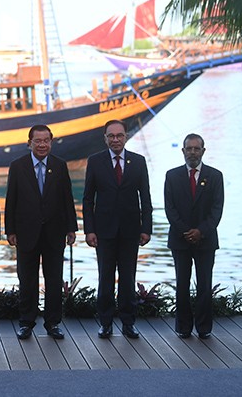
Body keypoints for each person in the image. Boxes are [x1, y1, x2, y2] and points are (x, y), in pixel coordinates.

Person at [5, 125, 78, 340]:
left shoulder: (60, 165)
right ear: (29, 143)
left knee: (54, 279)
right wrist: (10, 230)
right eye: (38, 141)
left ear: (51, 142)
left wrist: (71, 228)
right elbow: (11, 200)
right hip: (26, 232)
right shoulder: (17, 166)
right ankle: (26, 323)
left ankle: (53, 323)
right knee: (27, 280)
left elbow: (67, 198)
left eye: (46, 140)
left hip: (54, 232)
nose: (42, 144)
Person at [83, 119, 153, 339]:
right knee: (105, 277)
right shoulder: (95, 161)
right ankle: (105, 323)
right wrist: (89, 230)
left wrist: (146, 228)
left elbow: (145, 197)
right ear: (105, 138)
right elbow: (88, 199)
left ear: (126, 137)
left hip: (131, 231)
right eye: (111, 136)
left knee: (128, 277)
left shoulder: (138, 162)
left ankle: (128, 322)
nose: (115, 140)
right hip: (103, 231)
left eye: (119, 135)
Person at [164, 133, 224, 339]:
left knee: (204, 285)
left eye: (196, 149)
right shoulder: (172, 176)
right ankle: (183, 327)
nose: (192, 152)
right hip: (180, 240)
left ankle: (204, 328)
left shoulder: (215, 176)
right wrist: (186, 231)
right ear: (183, 151)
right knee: (182, 284)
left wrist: (200, 231)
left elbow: (217, 210)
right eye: (188, 149)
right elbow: (170, 209)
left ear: (203, 151)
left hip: (206, 240)